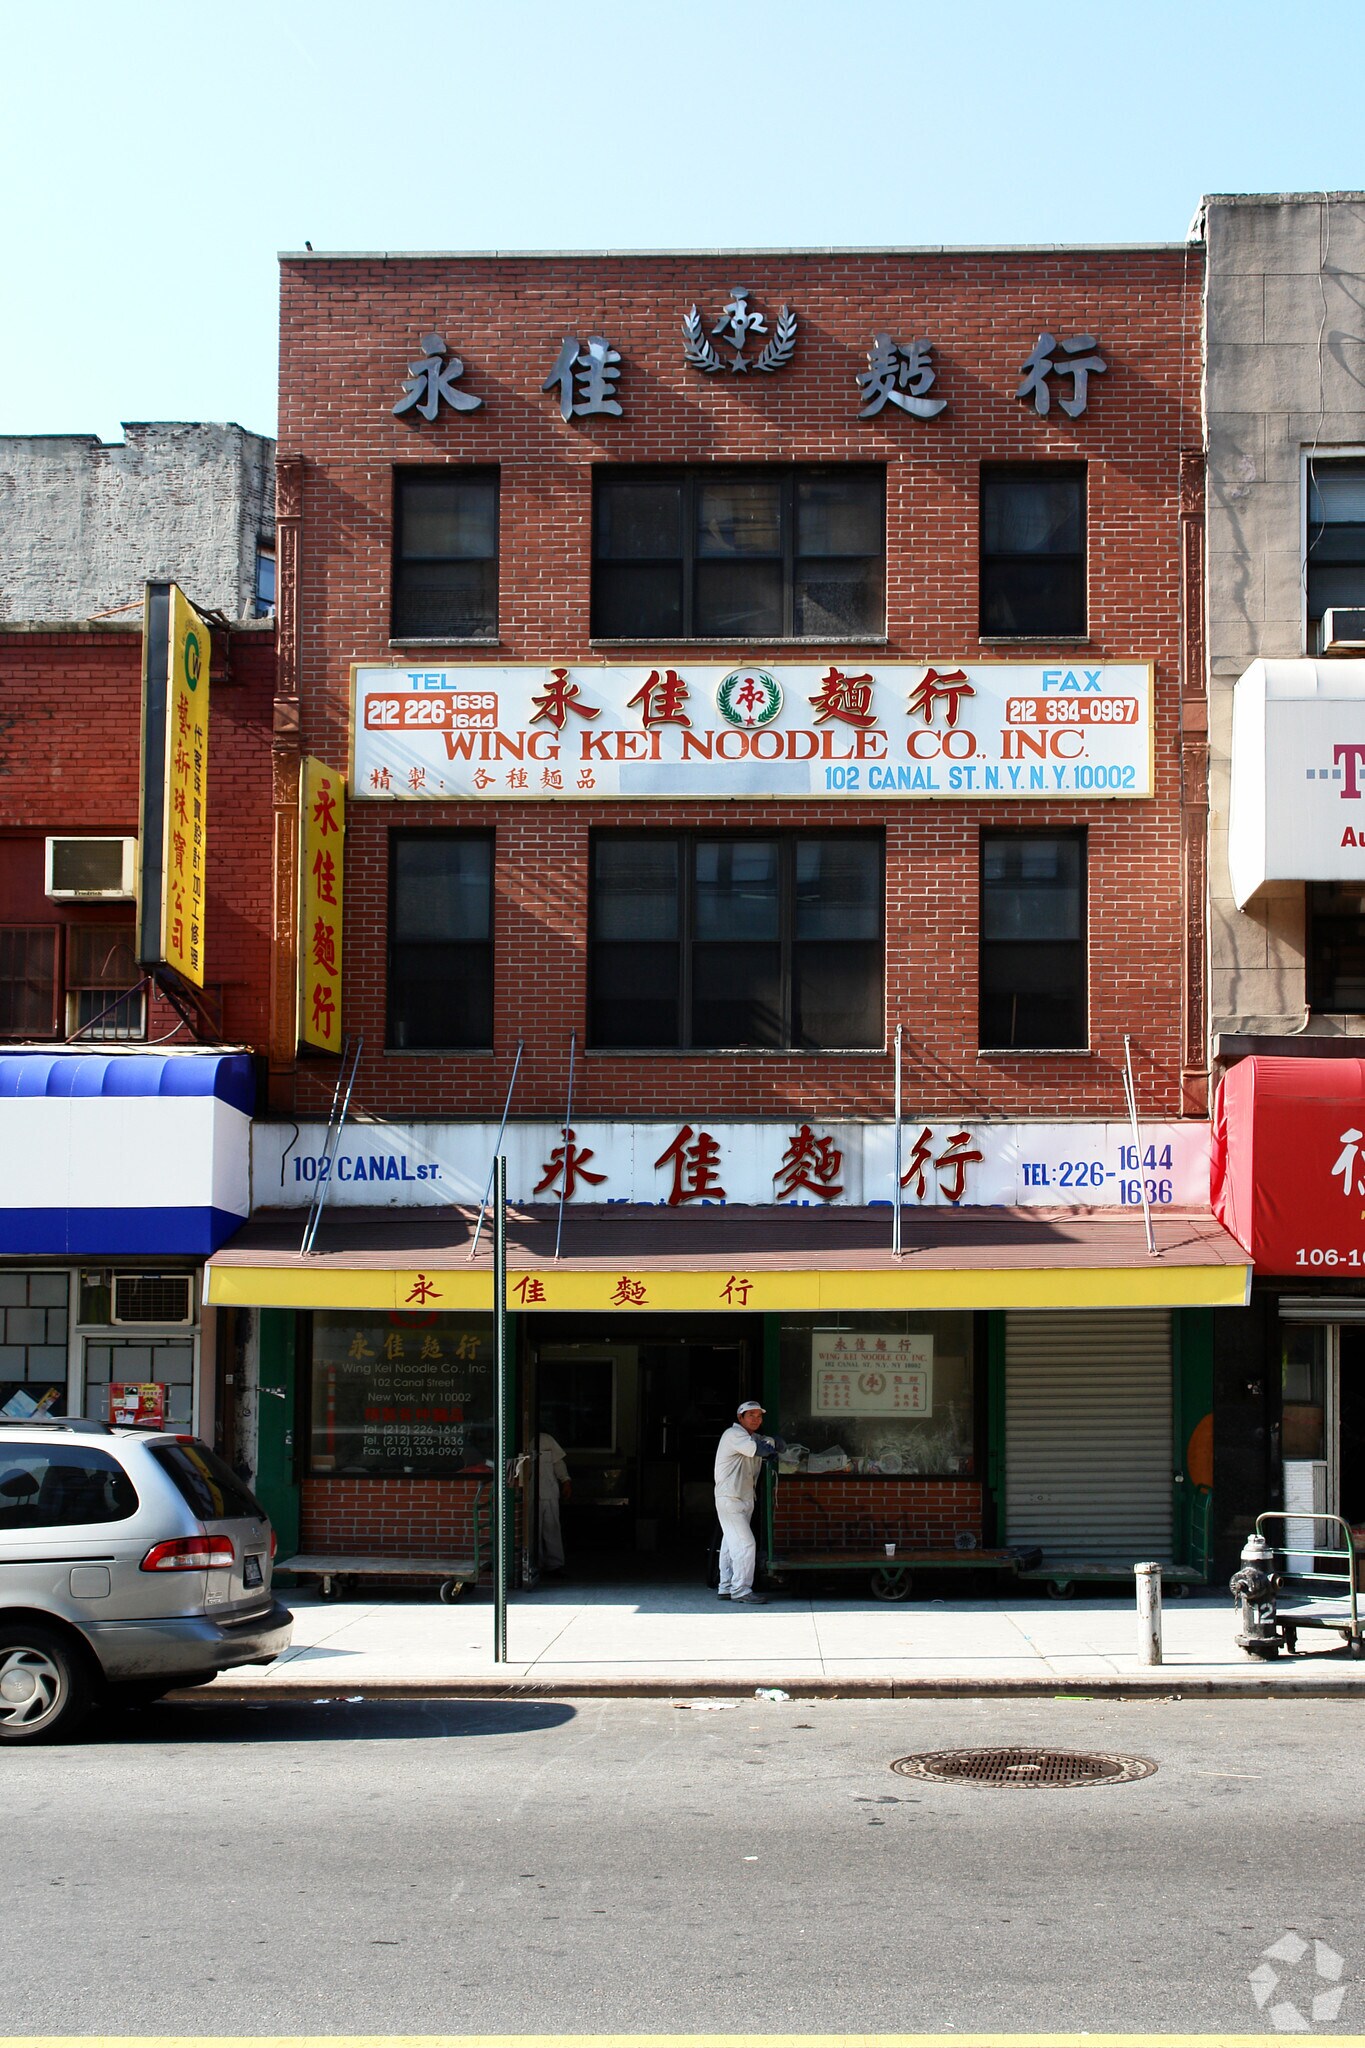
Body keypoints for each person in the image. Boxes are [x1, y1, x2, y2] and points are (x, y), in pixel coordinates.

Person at [713, 1400, 780, 1605]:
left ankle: (726, 1586)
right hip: (730, 1498)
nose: (756, 1419)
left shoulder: (753, 1437)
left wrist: (771, 1444)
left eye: (759, 1416)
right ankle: (741, 1590)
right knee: (746, 1544)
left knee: (730, 1544)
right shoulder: (733, 1435)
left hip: (744, 1498)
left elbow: (775, 1444)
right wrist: (771, 1445)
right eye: (750, 1415)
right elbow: (763, 1449)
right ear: (740, 1417)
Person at [537, 1430, 571, 1573]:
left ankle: (555, 1564)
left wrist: (566, 1481)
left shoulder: (546, 1439)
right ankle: (535, 1565)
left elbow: (558, 1462)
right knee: (533, 1532)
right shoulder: (521, 1439)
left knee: (552, 1528)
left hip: (548, 1491)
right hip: (529, 1495)